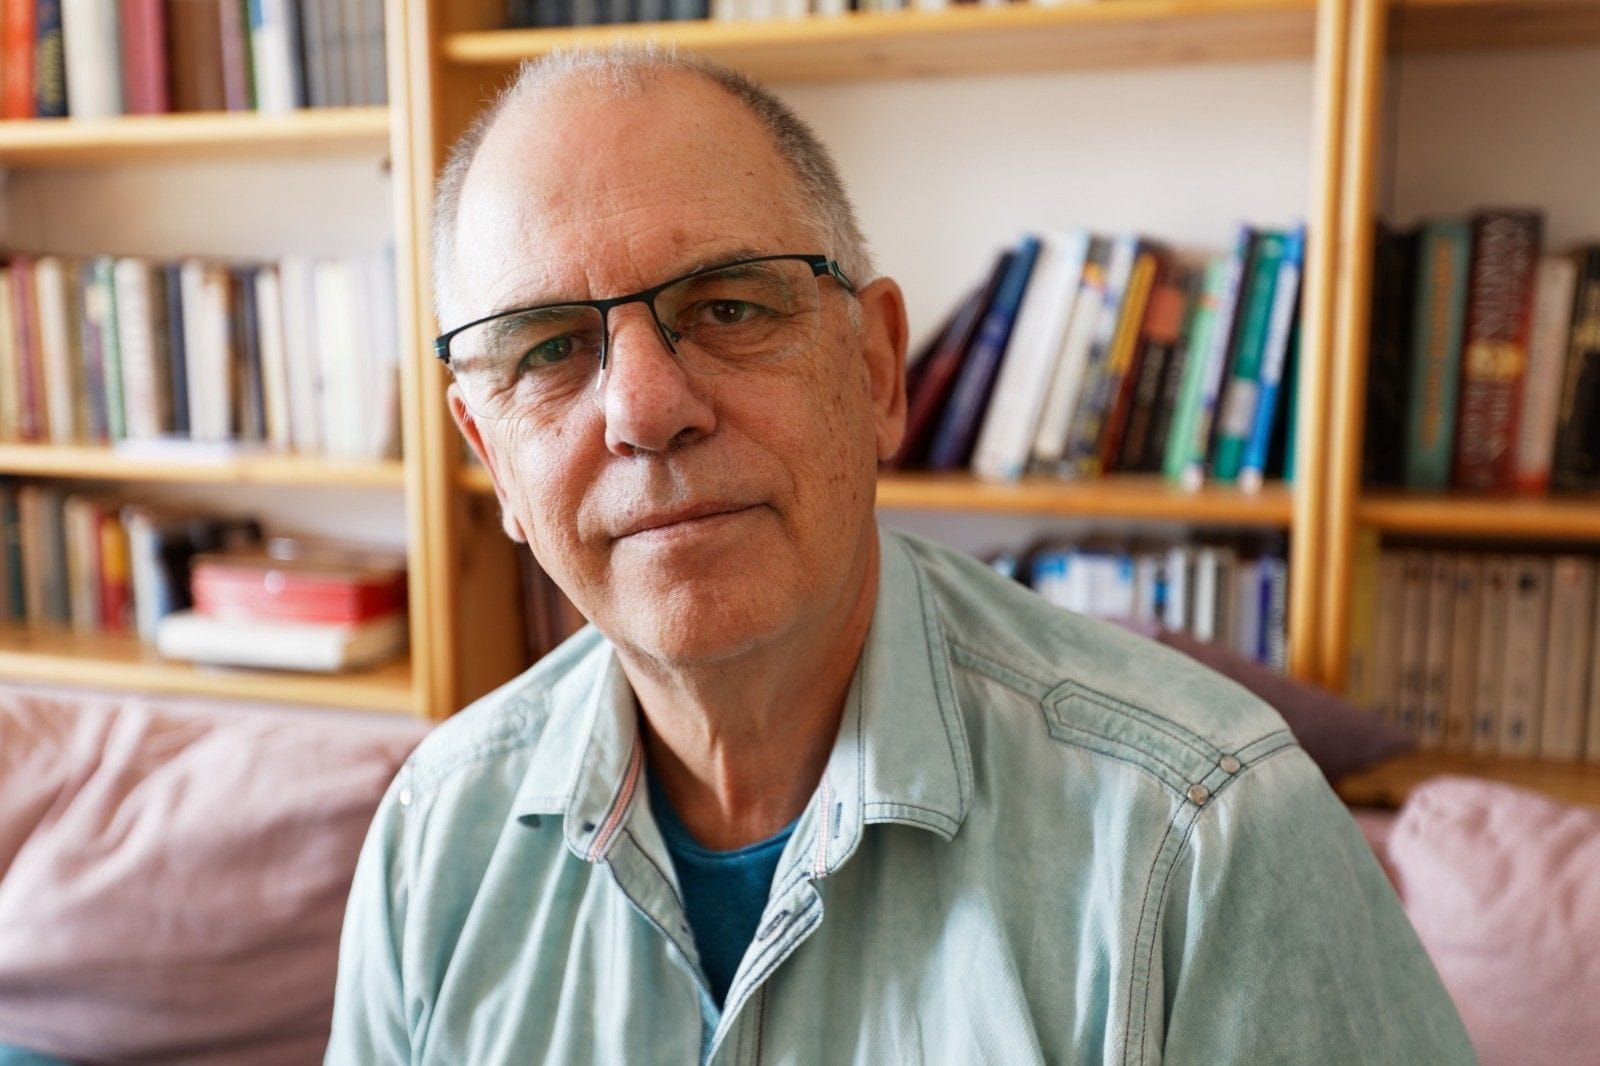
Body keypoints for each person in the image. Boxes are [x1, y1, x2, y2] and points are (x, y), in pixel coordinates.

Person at [326, 47, 1474, 1064]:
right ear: (489, 457)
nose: (646, 409)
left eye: (727, 308)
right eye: (548, 349)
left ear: (876, 371)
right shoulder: (435, 839)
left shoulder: (1205, 834)